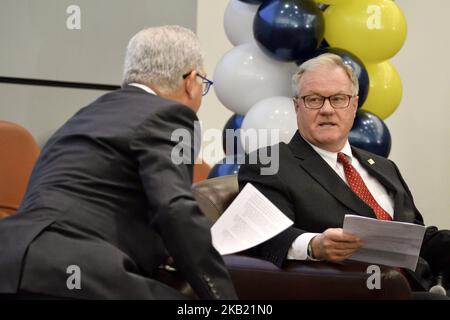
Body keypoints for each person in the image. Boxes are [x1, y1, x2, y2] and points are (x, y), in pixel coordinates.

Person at [0, 25, 237, 300]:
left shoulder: (85, 115)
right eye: (203, 85)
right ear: (190, 81)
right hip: (73, 272)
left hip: (10, 261)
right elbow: (174, 208)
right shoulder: (170, 115)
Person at [238, 53, 450, 296]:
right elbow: (265, 236)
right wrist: (314, 245)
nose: (327, 110)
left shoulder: (384, 167)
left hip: (421, 287)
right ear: (297, 106)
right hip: (353, 291)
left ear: (354, 105)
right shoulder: (270, 164)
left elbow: (415, 237)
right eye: (314, 99)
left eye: (338, 99)